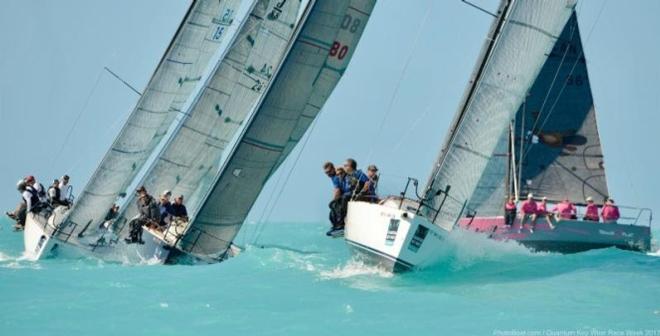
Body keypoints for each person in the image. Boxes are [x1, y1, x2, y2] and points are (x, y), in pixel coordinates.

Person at [323, 162, 346, 236]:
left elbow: (337, 190)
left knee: (335, 208)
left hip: (345, 195)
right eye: (326, 173)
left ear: (333, 169)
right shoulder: (333, 177)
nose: (328, 174)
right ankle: (335, 227)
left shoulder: (336, 176)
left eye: (329, 171)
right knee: (332, 212)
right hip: (343, 195)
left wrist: (333, 201)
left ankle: (340, 226)